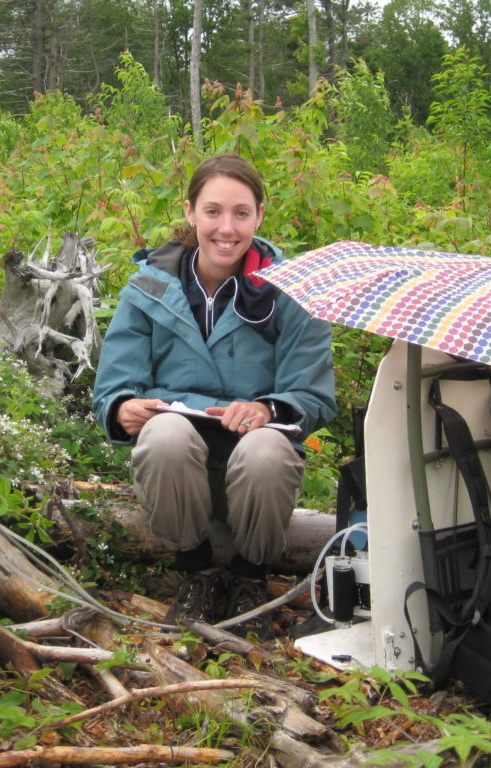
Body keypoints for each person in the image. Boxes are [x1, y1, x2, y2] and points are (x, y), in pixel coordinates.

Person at [92, 154, 336, 639]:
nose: (227, 228)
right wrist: (124, 407)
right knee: (164, 434)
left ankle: (249, 580)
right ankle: (196, 575)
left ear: (260, 217)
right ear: (190, 213)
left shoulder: (292, 293)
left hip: (255, 468)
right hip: (179, 470)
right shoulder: (147, 288)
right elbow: (112, 390)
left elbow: (312, 395)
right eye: (213, 211)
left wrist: (268, 408)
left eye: (241, 213)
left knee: (267, 448)